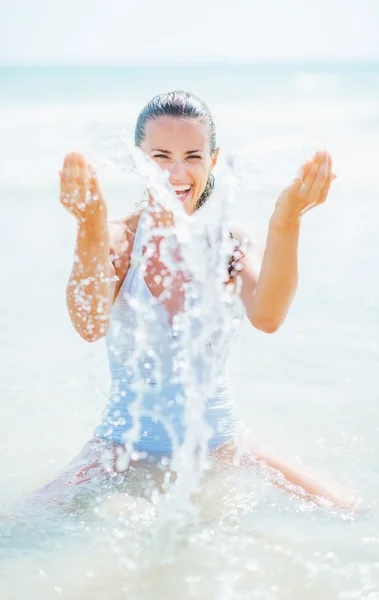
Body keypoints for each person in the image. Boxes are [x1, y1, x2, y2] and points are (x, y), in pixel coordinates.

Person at [25, 90, 359, 515]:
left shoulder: (229, 242)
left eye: (192, 156)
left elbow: (269, 316)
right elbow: (88, 324)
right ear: (138, 162)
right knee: (20, 523)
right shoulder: (116, 239)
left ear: (213, 161)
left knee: (349, 508)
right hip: (122, 448)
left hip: (221, 441)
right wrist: (88, 222)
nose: (176, 172)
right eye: (160, 156)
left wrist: (287, 217)